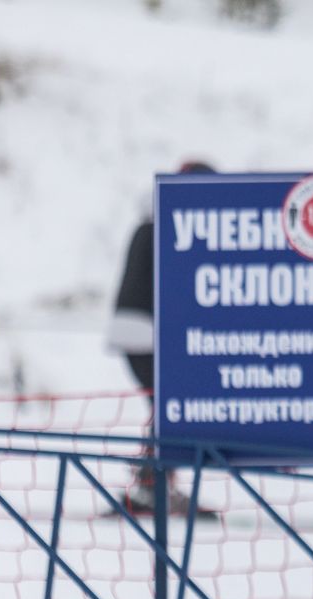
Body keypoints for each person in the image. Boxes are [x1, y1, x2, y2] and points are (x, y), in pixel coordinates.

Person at [106, 160, 215, 516]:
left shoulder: (153, 225)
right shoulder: (167, 230)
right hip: (151, 337)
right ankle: (152, 486)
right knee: (171, 407)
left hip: (139, 335)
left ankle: (153, 484)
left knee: (167, 407)